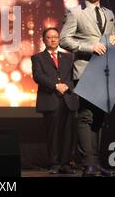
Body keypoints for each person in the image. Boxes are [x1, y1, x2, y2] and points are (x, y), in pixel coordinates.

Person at [60, 0, 115, 176]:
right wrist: (89, 47)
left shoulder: (109, 13)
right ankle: (88, 163)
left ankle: (96, 162)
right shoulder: (75, 13)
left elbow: (113, 36)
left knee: (99, 118)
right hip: (85, 69)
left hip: (105, 71)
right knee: (86, 116)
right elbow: (64, 40)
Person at [31, 27, 79, 174]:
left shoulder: (69, 57)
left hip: (68, 100)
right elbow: (38, 76)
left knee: (68, 133)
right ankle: (55, 164)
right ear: (44, 40)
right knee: (53, 134)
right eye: (49, 37)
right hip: (51, 100)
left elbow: (74, 77)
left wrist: (67, 86)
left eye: (56, 37)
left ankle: (66, 163)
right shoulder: (38, 57)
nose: (53, 39)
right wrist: (55, 85)